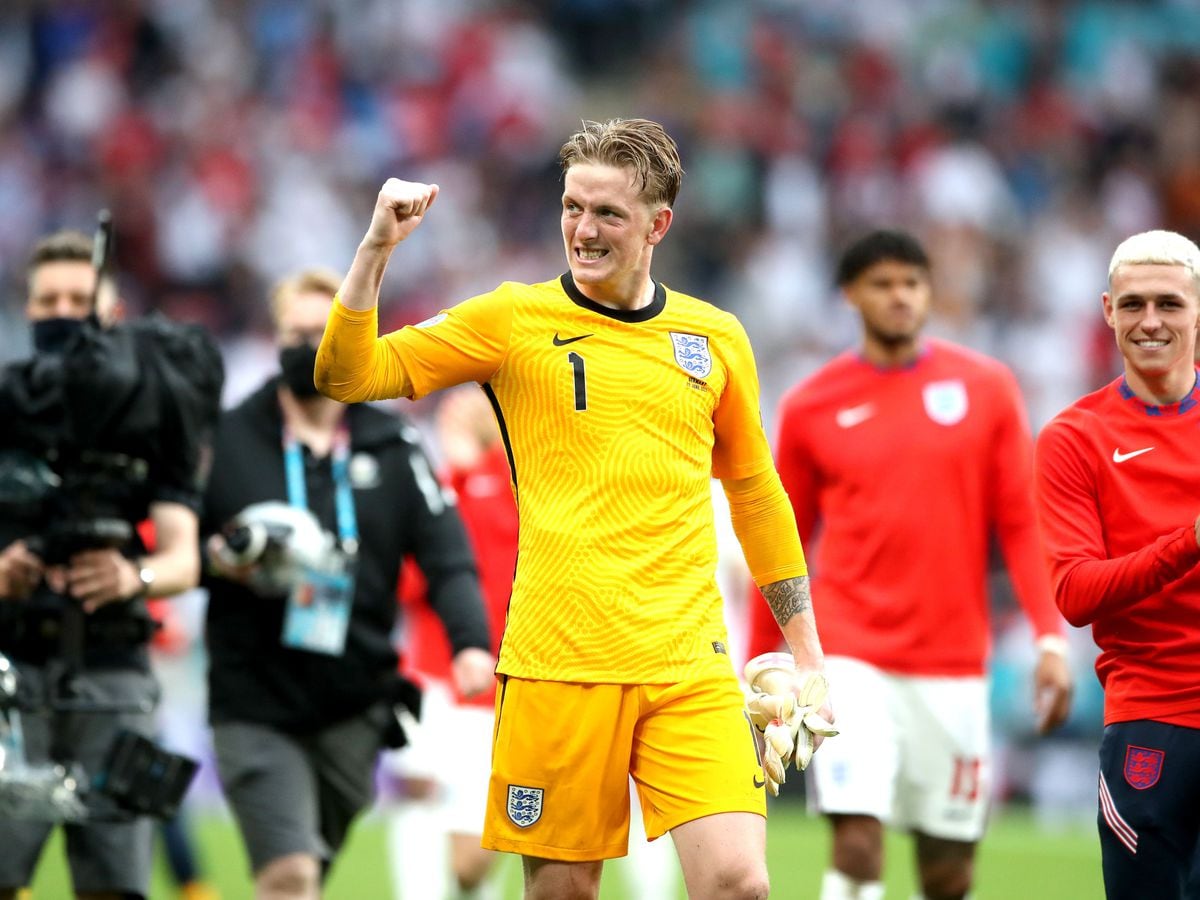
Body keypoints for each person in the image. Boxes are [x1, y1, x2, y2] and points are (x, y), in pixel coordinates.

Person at [316, 117, 827, 900]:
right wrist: (377, 247)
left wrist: (806, 650)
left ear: (659, 224)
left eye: (608, 214)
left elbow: (755, 490)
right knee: (563, 893)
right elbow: (347, 375)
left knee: (740, 884)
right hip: (558, 665)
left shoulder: (714, 337)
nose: (582, 230)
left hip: (688, 662)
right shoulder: (511, 321)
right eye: (571, 207)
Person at [746, 229, 1074, 900]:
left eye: (913, 283)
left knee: (948, 870)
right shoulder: (812, 404)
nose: (901, 297)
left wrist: (1047, 634)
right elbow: (780, 544)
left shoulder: (986, 389)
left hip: (953, 661)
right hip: (850, 656)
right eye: (884, 284)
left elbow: (1020, 522)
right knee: (857, 840)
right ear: (850, 295)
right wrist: (757, 666)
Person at [201, 267, 494, 900]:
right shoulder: (225, 443)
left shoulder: (394, 445)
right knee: (290, 874)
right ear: (272, 337)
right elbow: (179, 542)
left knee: (312, 869)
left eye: (323, 331)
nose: (308, 346)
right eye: (294, 332)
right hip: (255, 700)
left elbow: (447, 557)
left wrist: (471, 642)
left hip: (354, 704)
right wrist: (216, 560)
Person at [0, 229, 218, 900]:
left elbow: (183, 555)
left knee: (115, 885)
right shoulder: (7, 404)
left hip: (115, 674)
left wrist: (135, 576)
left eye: (79, 297)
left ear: (113, 312)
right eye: (49, 300)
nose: (64, 312)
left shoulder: (154, 417)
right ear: (29, 311)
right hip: (14, 670)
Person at [1033, 230, 1200, 900]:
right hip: (1151, 718)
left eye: (1169, 303)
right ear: (1107, 310)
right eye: (1133, 305)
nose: (1151, 321)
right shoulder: (1074, 438)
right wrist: (1189, 541)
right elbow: (1074, 591)